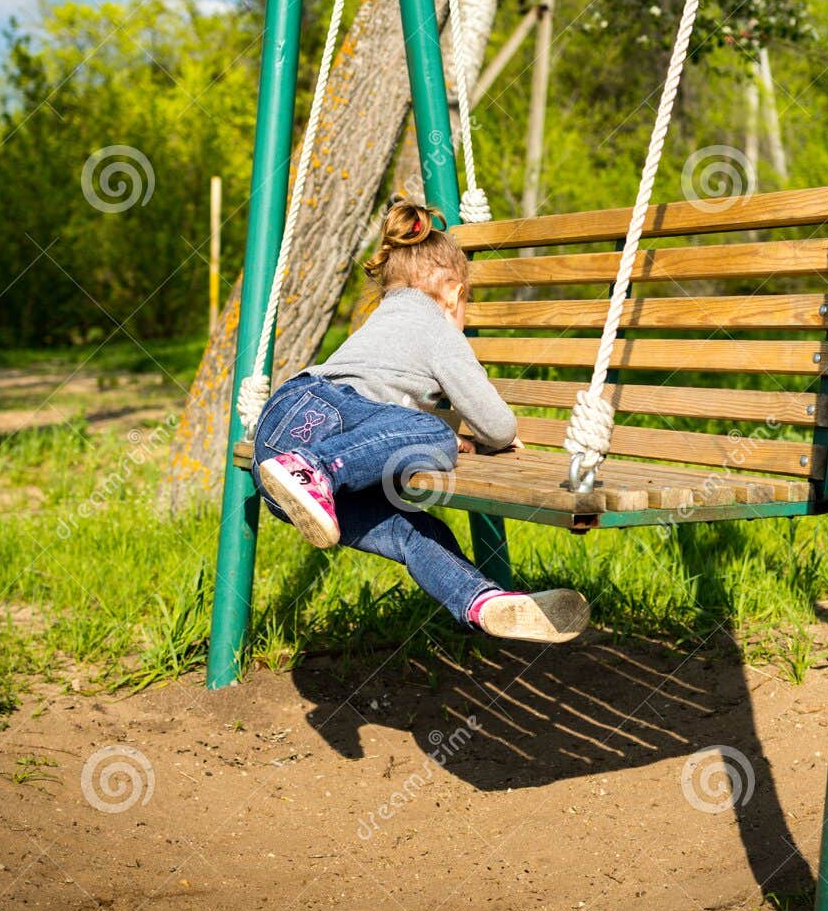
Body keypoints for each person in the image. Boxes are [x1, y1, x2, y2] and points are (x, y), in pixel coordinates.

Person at [251, 198, 590, 644]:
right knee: (437, 434)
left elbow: (384, 417)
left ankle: (483, 602)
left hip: (279, 451)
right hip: (323, 427)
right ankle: (315, 469)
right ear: (453, 292)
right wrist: (481, 440)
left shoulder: (379, 322)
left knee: (415, 529)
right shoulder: (436, 326)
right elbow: (498, 425)